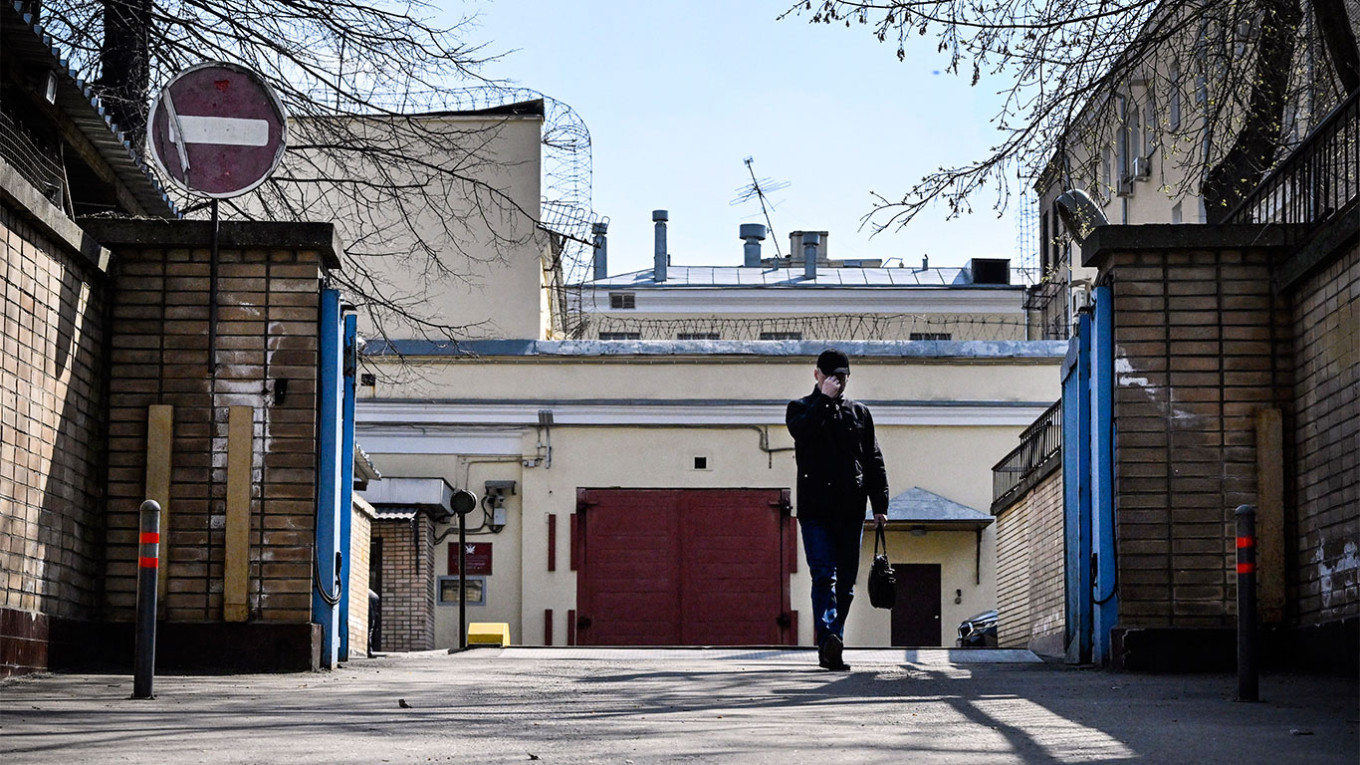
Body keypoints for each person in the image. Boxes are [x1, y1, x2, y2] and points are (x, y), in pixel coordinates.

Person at [786, 348, 889, 671]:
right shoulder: (800, 408)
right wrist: (825, 400)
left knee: (846, 584)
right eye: (831, 376)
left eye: (843, 377)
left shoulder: (859, 413)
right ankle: (830, 638)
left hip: (850, 509)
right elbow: (803, 433)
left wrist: (880, 505)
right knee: (823, 577)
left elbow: (873, 459)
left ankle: (832, 642)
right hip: (815, 510)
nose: (838, 382)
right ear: (817, 375)